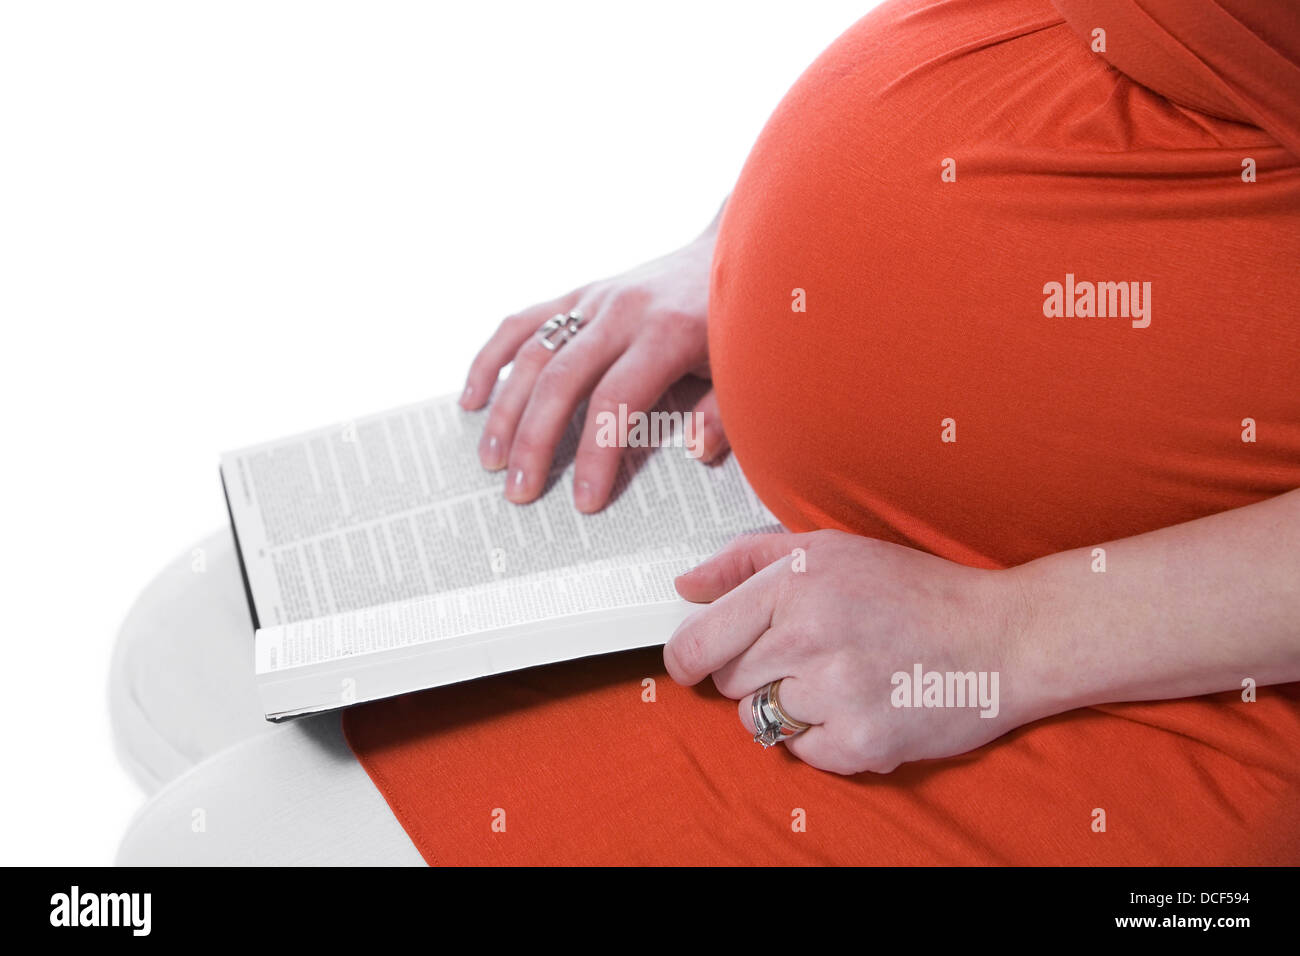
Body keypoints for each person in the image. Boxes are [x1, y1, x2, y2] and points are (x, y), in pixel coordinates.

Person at [115, 0, 1300, 865]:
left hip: (1135, 647)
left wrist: (1007, 637)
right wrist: (732, 253)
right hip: (815, 492)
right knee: (183, 662)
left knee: (198, 853)